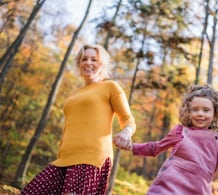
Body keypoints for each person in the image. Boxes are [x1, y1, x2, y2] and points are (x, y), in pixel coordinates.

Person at [21, 44, 136, 195]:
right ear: (79, 64)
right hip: (64, 158)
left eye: (94, 59)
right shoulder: (73, 94)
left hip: (91, 157)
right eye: (84, 59)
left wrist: (126, 133)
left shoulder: (110, 87)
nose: (88, 63)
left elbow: (128, 119)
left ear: (102, 64)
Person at [114, 84, 218, 195]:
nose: (200, 114)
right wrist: (132, 146)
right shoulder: (180, 131)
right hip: (168, 186)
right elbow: (155, 148)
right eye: (195, 109)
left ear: (215, 114)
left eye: (206, 110)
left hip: (198, 190)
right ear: (188, 112)